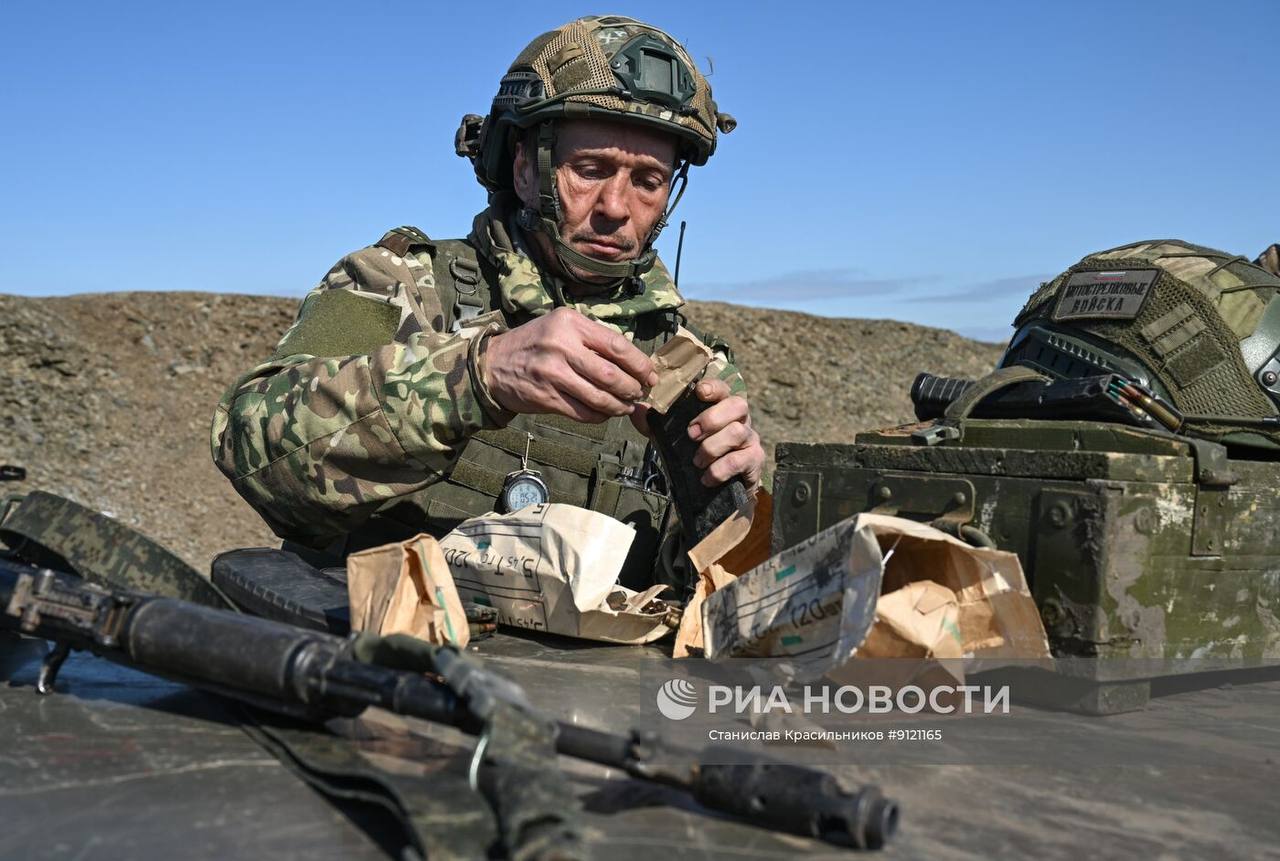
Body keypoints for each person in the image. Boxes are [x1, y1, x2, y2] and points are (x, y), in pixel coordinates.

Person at [211, 15, 765, 588]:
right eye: (590, 170)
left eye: (647, 181)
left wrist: (726, 504)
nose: (616, 207)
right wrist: (476, 377)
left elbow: (707, 593)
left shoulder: (690, 364)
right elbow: (251, 450)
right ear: (524, 168)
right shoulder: (402, 284)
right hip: (383, 636)